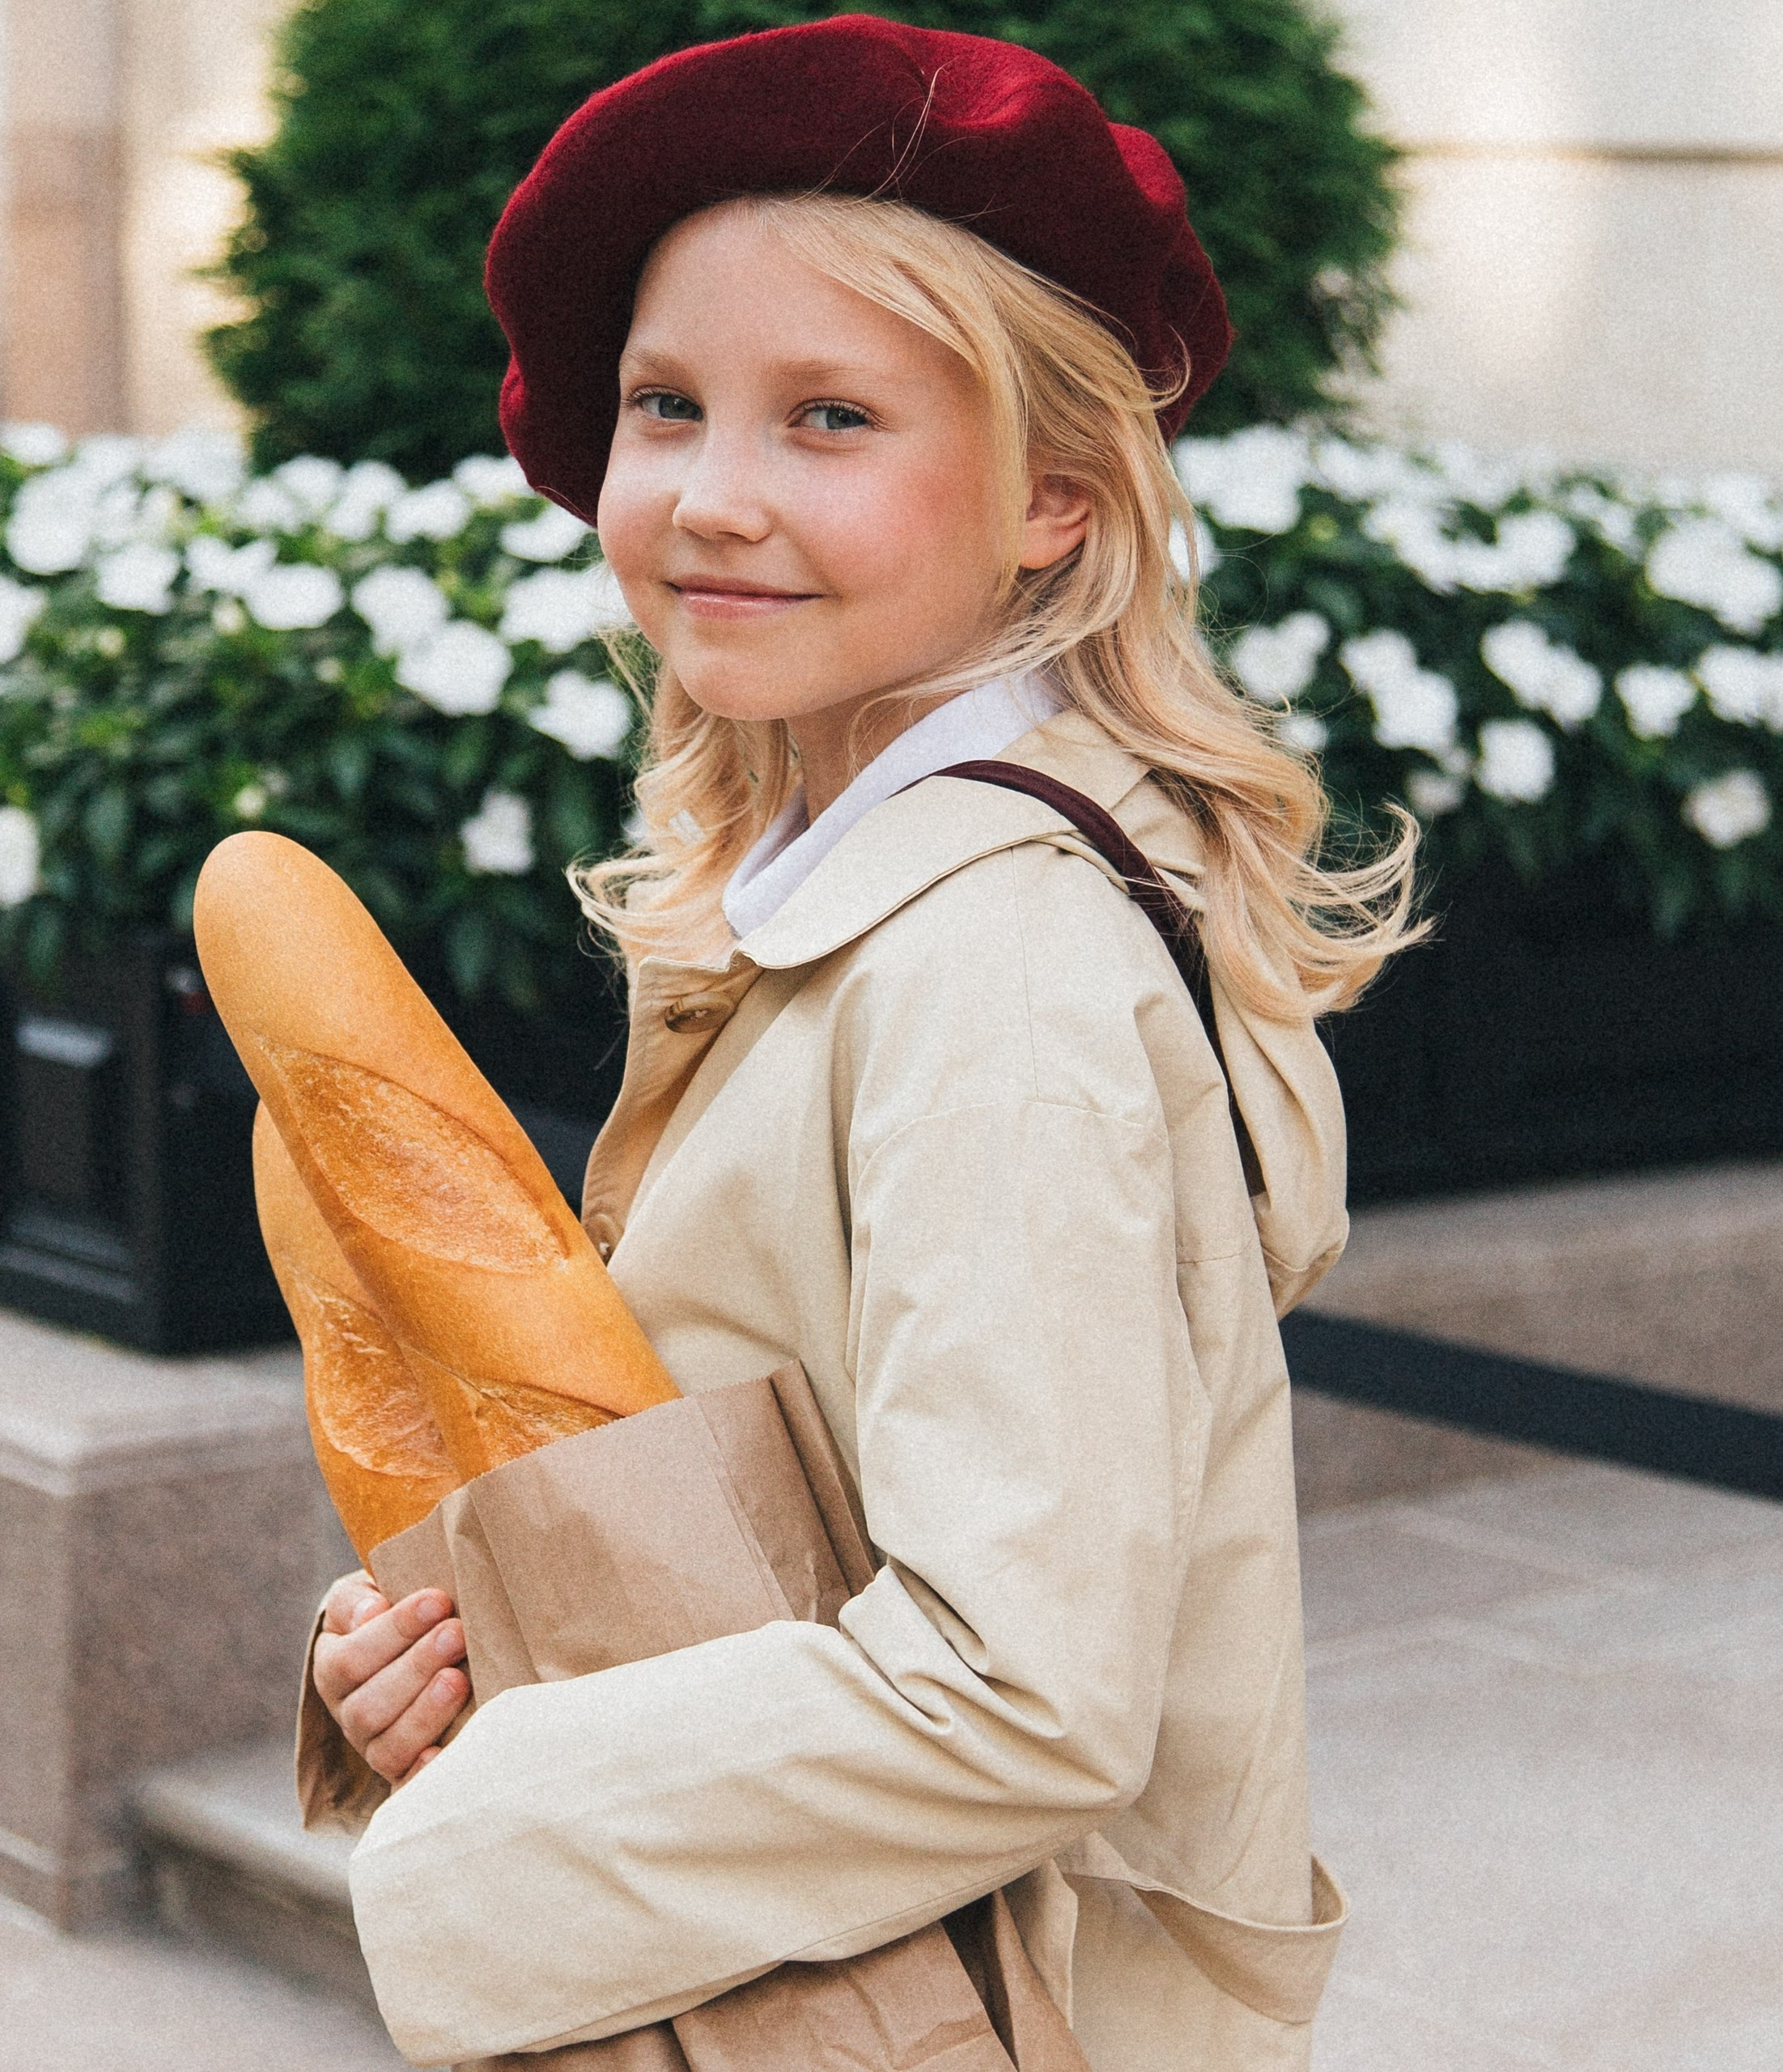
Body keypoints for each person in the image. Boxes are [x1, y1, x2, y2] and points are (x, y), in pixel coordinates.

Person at [300, 18, 1418, 2070]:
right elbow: (753, 1486)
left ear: (1053, 499)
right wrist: (481, 1657)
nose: (714, 497)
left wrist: (478, 1828)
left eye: (829, 416)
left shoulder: (987, 974)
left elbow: (1016, 1685)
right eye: (666, 404)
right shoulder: (839, 886)